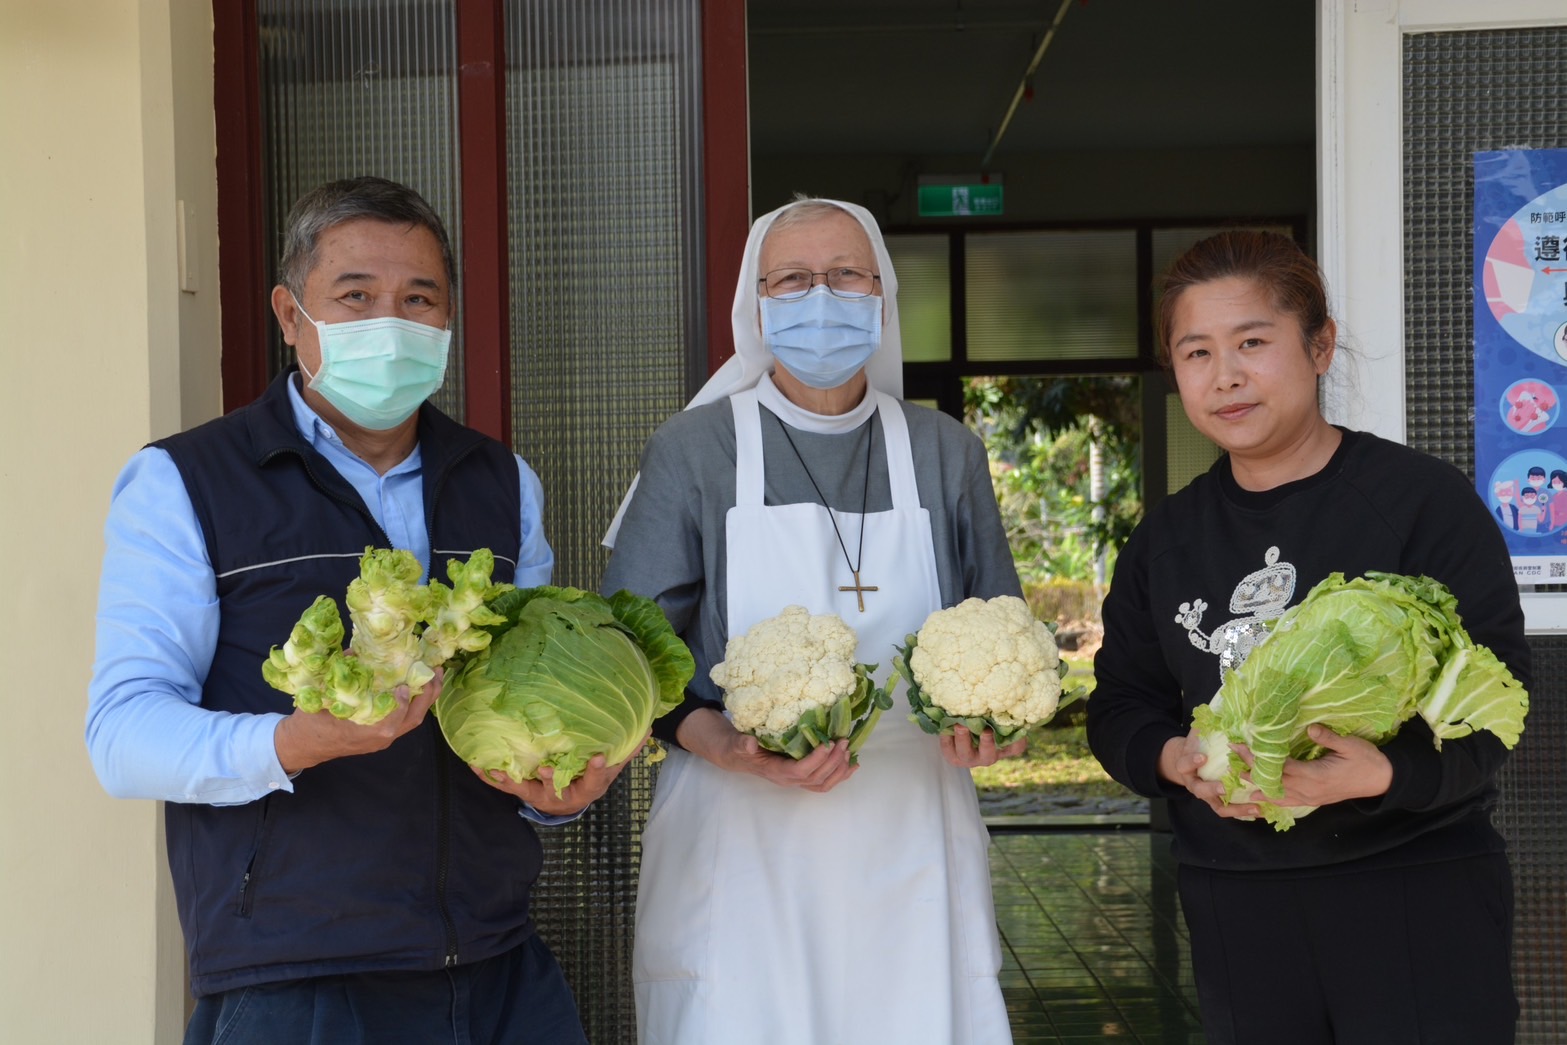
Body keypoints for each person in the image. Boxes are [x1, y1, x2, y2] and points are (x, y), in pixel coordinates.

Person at [86, 176, 634, 1045]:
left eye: (419, 298)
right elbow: (120, 734)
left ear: (448, 320)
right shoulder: (186, 481)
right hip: (295, 976)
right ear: (289, 312)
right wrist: (291, 743)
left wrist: (557, 793)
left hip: (497, 961)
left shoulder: (502, 483)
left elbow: (524, 705)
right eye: (356, 295)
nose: (392, 321)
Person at [1087, 230, 1529, 1044]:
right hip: (1235, 897)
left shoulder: (1419, 501)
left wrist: (1382, 772)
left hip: (1412, 885)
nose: (1225, 375)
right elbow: (1120, 701)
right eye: (1196, 352)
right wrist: (1168, 756)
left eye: (1252, 342)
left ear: (1318, 345)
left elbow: (1492, 692)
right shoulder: (1166, 538)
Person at [600, 197, 1022, 1044]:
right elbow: (628, 652)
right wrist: (720, 740)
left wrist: (1001, 727)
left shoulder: (946, 451)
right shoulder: (693, 448)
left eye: (844, 276)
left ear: (881, 293)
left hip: (912, 837)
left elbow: (1005, 634)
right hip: (740, 837)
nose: (818, 297)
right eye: (790, 280)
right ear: (754, 305)